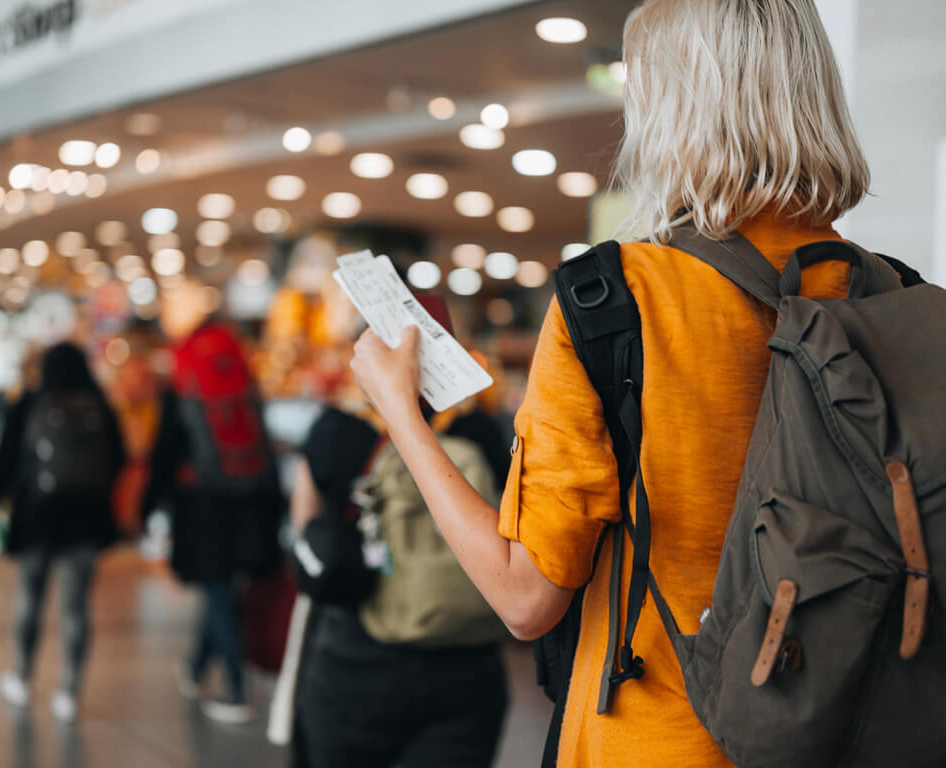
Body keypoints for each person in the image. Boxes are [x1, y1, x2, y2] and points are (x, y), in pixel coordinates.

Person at [349, 1, 875, 766]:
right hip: (849, 732)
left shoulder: (615, 299)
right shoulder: (887, 298)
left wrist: (401, 412)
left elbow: (525, 598)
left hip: (659, 738)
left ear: (670, 108)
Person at [289, 397, 508, 768]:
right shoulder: (481, 432)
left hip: (355, 659)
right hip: (470, 665)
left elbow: (307, 528)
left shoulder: (337, 429)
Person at [141, 319, 281, 725]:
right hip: (249, 497)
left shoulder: (184, 377)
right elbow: (263, 440)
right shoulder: (242, 373)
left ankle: (237, 688)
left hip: (202, 502)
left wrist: (150, 504)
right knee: (221, 587)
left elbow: (166, 447)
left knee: (217, 587)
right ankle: (197, 666)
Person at [0, 342, 124, 722]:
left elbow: (5, 459)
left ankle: (23, 678)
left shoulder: (30, 403)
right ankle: (69, 692)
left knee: (31, 594)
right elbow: (120, 457)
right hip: (87, 519)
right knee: (76, 606)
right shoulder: (100, 405)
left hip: (37, 516)